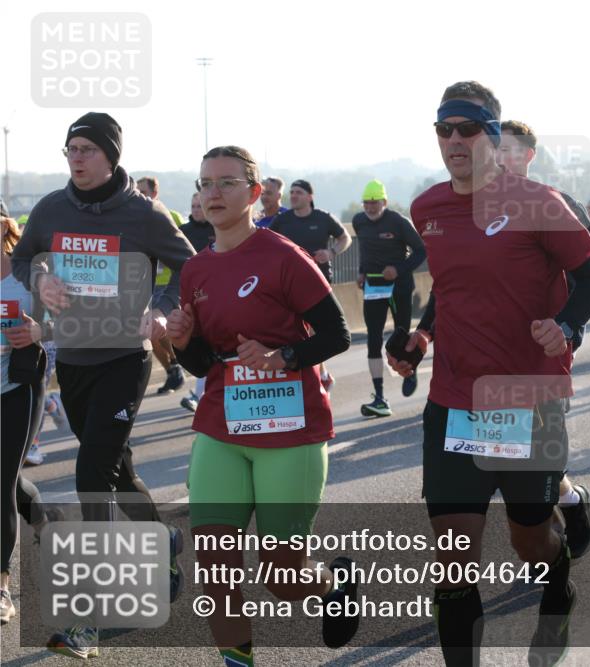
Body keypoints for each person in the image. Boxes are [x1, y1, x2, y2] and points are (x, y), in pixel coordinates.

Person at [388, 81, 590, 666]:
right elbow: (453, 288)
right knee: (454, 560)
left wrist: (566, 323)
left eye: (466, 128)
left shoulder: (540, 202)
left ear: (491, 133)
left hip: (529, 397)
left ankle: (557, 586)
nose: (453, 139)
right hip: (455, 400)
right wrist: (420, 336)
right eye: (443, 128)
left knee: (531, 543)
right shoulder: (427, 208)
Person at [11, 112, 194, 658]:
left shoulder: (144, 213)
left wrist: (161, 309)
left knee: (92, 470)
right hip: (73, 357)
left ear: (111, 155)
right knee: (117, 470)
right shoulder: (51, 208)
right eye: (70, 148)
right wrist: (41, 277)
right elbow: (22, 257)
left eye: (87, 149)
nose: (76, 157)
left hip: (124, 358)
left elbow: (189, 267)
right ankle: (161, 541)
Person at [166, 145, 357, 667]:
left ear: (253, 194)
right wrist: (181, 342)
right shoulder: (196, 271)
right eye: (206, 183)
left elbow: (337, 334)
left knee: (281, 575)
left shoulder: (282, 256)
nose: (214, 192)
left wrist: (285, 355)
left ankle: (332, 582)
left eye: (227, 183)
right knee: (215, 565)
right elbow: (205, 363)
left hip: (290, 430)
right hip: (222, 427)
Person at [496, 120, 590, 560]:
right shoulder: (468, 209)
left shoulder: (555, 204)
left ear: (528, 157)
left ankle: (569, 503)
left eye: (509, 151)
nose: (499, 159)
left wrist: (566, 326)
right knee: (506, 461)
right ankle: (543, 539)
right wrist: (425, 332)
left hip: (542, 356)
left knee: (539, 461)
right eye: (493, 150)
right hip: (487, 357)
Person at [1, 216, 57, 625]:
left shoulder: (29, 273)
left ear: (5, 226)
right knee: (12, 483)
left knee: (1, 481)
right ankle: (46, 524)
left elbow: (69, 323)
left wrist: (39, 332)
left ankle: (1, 585)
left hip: (18, 387)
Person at [352, 179, 426, 417]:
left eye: (374, 203)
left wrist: (398, 269)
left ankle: (410, 370)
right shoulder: (359, 221)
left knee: (401, 335)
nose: (370, 207)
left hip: (399, 286)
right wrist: (361, 272)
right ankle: (380, 397)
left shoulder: (398, 222)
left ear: (384, 202)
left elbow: (421, 251)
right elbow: (364, 250)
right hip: (373, 287)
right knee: (373, 339)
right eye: (366, 203)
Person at [271, 180, 351, 390]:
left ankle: (320, 375)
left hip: (319, 283)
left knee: (317, 332)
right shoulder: (283, 220)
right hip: (287, 285)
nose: (294, 196)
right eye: (292, 192)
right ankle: (320, 375)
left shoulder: (323, 218)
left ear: (310, 197)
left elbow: (345, 238)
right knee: (298, 332)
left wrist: (331, 252)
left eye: (298, 192)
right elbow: (266, 243)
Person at [137, 176, 188, 395]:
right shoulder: (133, 217)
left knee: (158, 329)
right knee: (148, 333)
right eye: (137, 191)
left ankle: (176, 362)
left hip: (166, 284)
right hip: (144, 284)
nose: (139, 195)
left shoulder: (169, 215)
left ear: (154, 193)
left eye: (143, 191)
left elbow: (180, 249)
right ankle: (172, 369)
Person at [177, 192, 216, 413]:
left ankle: (200, 395)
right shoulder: (183, 232)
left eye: (199, 206)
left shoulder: (218, 230)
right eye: (192, 206)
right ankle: (200, 394)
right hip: (192, 296)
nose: (195, 210)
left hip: (217, 294)